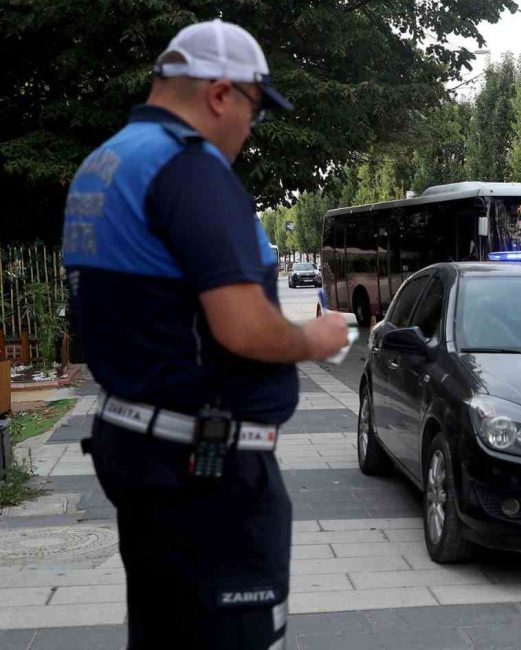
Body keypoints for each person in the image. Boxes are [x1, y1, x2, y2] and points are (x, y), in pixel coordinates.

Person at [62, 20, 349, 649]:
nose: (251, 128)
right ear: (221, 94)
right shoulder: (188, 169)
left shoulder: (105, 163)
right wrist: (317, 338)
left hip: (142, 449)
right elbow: (243, 328)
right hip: (205, 472)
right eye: (254, 109)